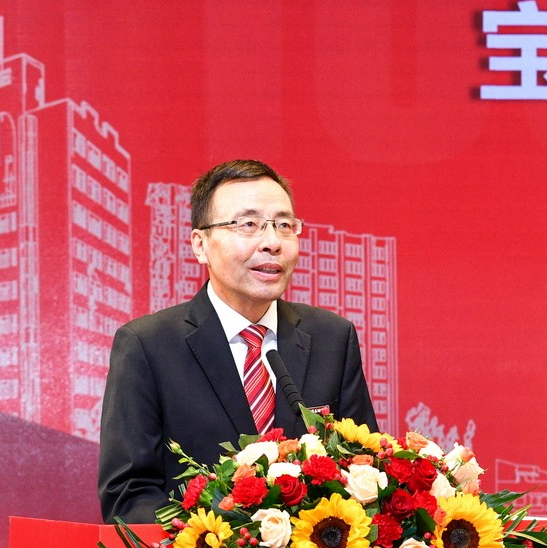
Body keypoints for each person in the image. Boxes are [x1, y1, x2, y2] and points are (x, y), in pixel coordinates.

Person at [98, 159, 379, 523]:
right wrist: (216, 543)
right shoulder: (147, 346)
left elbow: (364, 469)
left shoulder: (332, 338)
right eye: (248, 225)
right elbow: (128, 496)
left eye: (284, 225)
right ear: (200, 244)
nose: (272, 243)